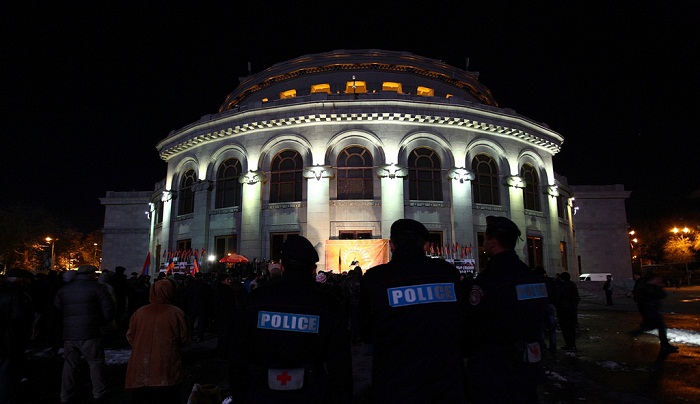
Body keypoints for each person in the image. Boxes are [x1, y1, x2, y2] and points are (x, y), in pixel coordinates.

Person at [231, 235, 352, 403]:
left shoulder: (256, 299)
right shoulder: (328, 303)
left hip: (262, 394)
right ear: (313, 268)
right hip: (313, 394)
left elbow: (238, 355)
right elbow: (340, 363)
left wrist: (240, 395)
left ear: (281, 266)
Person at [359, 219, 466, 403]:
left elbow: (365, 331)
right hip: (444, 380)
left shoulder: (375, 278)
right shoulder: (447, 273)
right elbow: (462, 321)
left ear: (392, 245)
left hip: (395, 382)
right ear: (426, 245)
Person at [465, 216, 548, 403]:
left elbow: (475, 325)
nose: (483, 242)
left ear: (493, 242)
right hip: (528, 366)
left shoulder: (490, 279)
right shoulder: (530, 276)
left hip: (495, 370)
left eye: (485, 238)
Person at [54, 265, 116, 403]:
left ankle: (65, 394)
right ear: (91, 274)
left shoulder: (65, 289)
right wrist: (103, 323)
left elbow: (57, 308)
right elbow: (109, 309)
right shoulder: (98, 288)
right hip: (91, 332)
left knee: (69, 364)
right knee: (95, 363)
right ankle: (99, 392)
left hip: (69, 333)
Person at [124, 279, 190, 403]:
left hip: (140, 364)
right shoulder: (176, 313)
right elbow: (184, 337)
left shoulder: (140, 312)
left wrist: (141, 345)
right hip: (166, 364)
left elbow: (130, 335)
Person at [0, 268, 34, 404]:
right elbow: (19, 317)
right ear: (21, 280)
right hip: (10, 338)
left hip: (5, 335)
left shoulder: (4, 291)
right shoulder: (19, 294)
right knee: (7, 371)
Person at [629, 268, 678, 352]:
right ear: (652, 279)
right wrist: (659, 287)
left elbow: (661, 295)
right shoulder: (648, 286)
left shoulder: (645, 285)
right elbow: (660, 295)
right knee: (660, 326)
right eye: (657, 279)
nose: (659, 280)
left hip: (649, 309)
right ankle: (664, 345)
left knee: (651, 325)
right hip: (649, 309)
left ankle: (636, 332)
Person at [554, 271, 580, 352]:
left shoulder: (563, 286)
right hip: (571, 311)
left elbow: (558, 297)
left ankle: (569, 345)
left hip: (564, 311)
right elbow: (576, 298)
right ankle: (572, 344)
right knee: (571, 329)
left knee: (566, 329)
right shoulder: (572, 284)